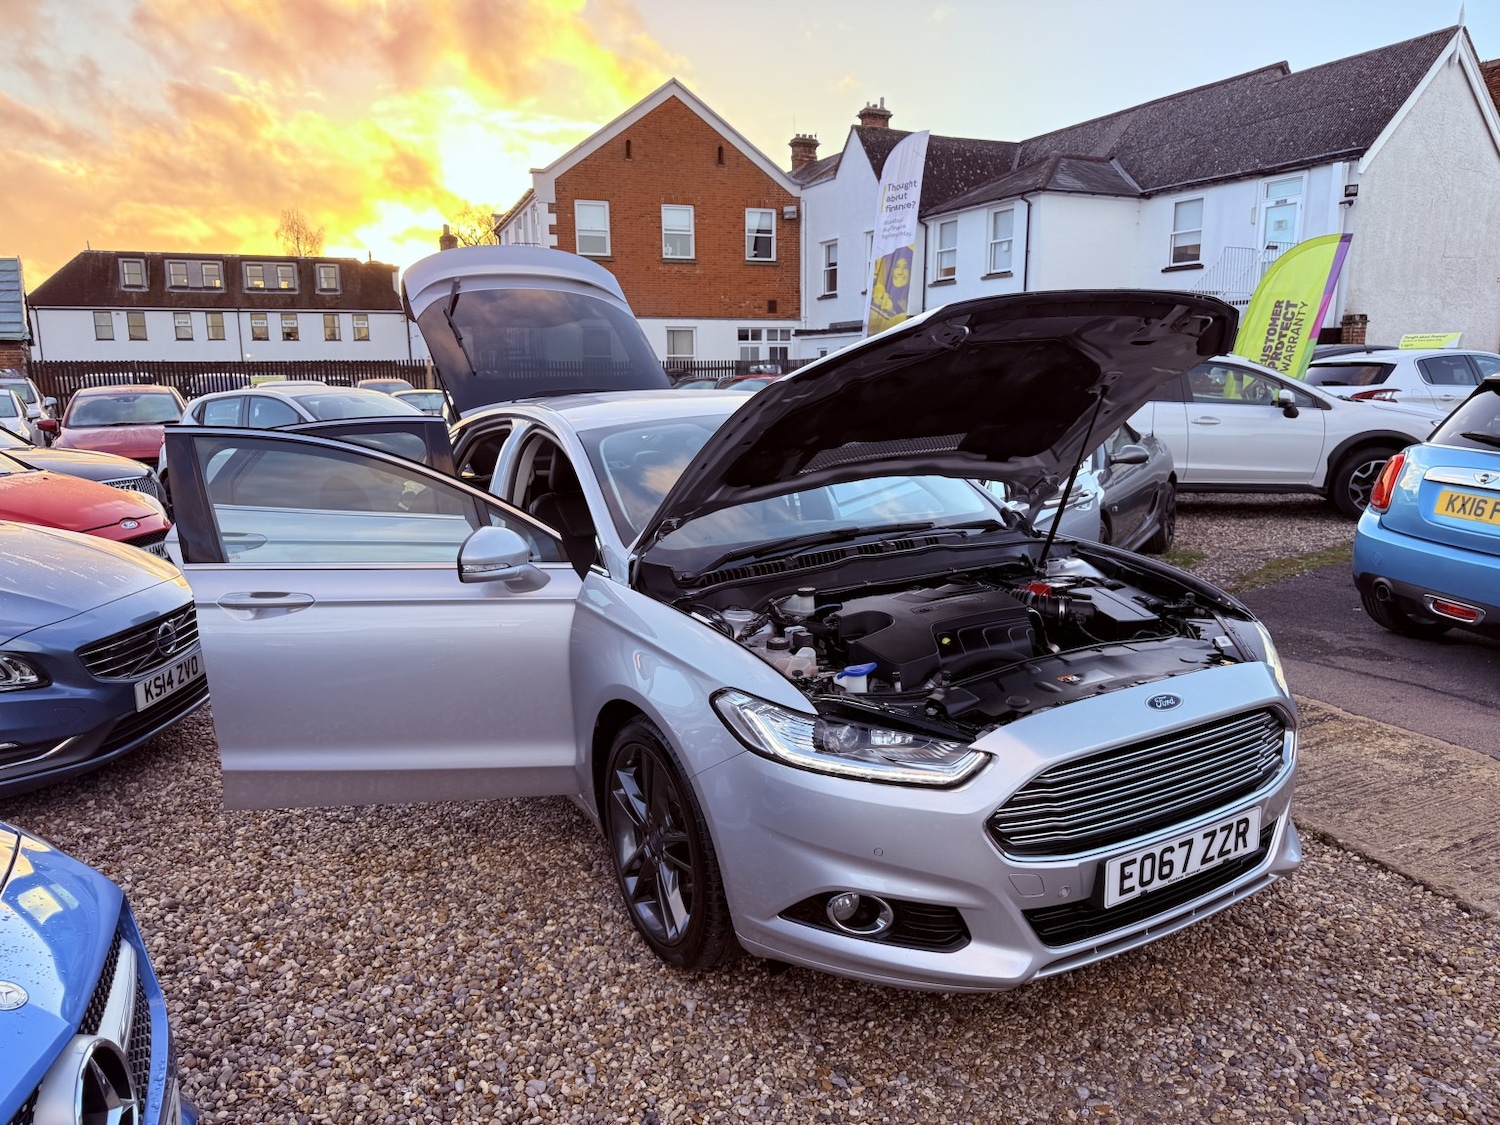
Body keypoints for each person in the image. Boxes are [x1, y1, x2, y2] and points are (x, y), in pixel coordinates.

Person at [866, 246, 914, 336]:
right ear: (891, 271)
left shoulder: (910, 304)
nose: (900, 272)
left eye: (906, 267)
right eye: (897, 266)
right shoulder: (879, 302)